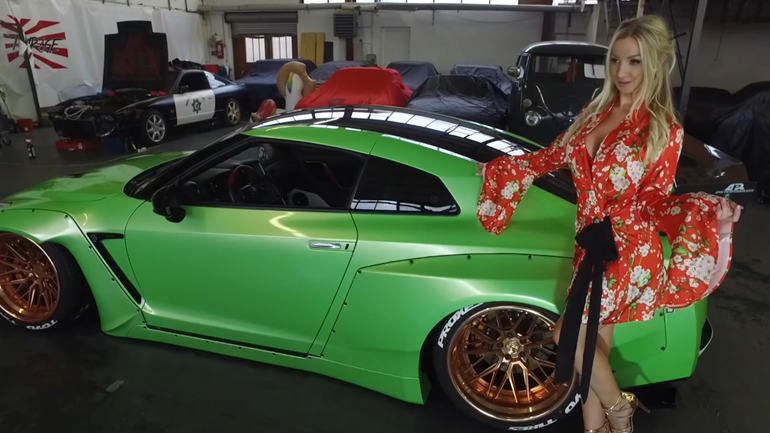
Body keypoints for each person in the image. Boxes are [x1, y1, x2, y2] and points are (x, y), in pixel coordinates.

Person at [475, 15, 742, 433]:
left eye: (634, 61)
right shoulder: (594, 111)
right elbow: (552, 156)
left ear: (654, 64)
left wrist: (703, 208)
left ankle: (620, 410)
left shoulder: (662, 128)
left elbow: (656, 200)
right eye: (615, 60)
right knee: (595, 345)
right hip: (589, 243)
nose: (621, 71)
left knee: (568, 336)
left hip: (627, 248)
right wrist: (499, 167)